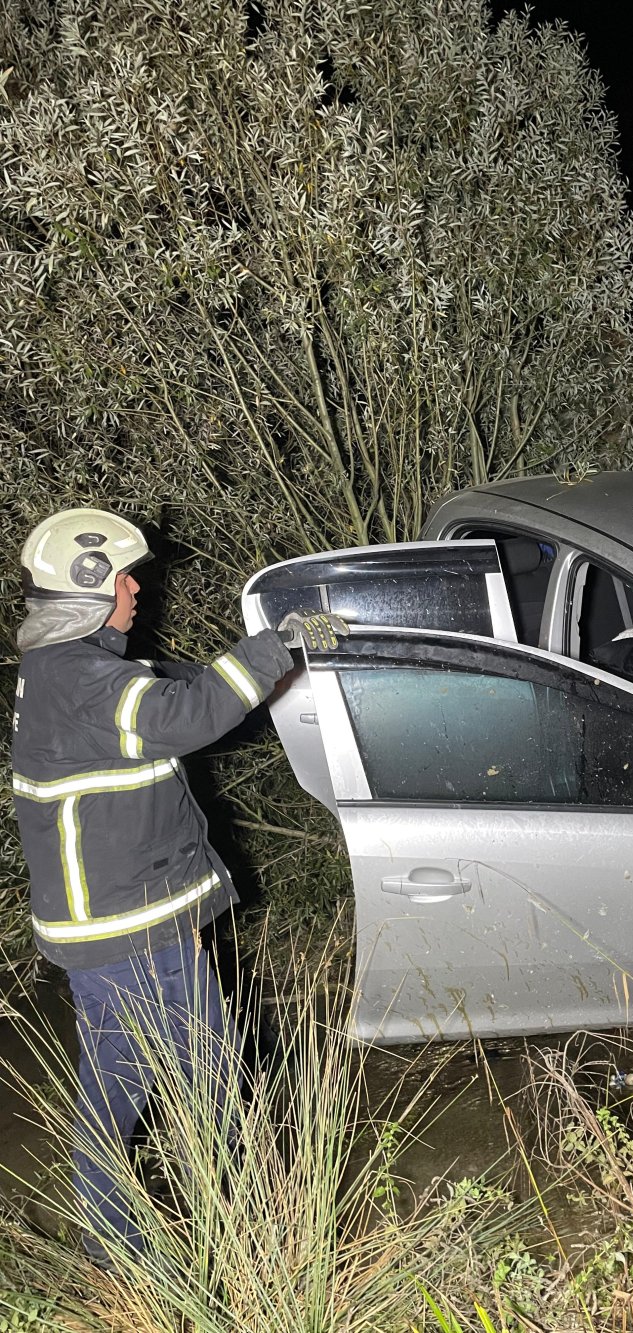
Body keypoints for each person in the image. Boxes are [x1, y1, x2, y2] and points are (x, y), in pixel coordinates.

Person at [10, 507, 344, 1269]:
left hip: (139, 918)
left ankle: (234, 1226)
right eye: (126, 578)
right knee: (146, 1087)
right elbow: (185, 714)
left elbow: (178, 691)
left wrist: (266, 670)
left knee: (199, 1075)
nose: (137, 589)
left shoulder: (74, 668)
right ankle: (134, 1252)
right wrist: (276, 644)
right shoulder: (79, 679)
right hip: (124, 930)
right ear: (88, 587)